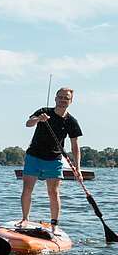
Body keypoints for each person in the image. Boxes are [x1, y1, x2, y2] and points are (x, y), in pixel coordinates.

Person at [18, 87, 83, 232]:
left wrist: (77, 168)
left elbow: (75, 147)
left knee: (53, 192)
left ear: (71, 101)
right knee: (27, 189)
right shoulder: (44, 111)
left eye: (66, 98)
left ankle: (54, 225)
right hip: (34, 156)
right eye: (60, 97)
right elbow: (28, 123)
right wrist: (37, 119)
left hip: (54, 159)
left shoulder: (72, 121)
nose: (62, 100)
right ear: (55, 98)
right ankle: (25, 219)